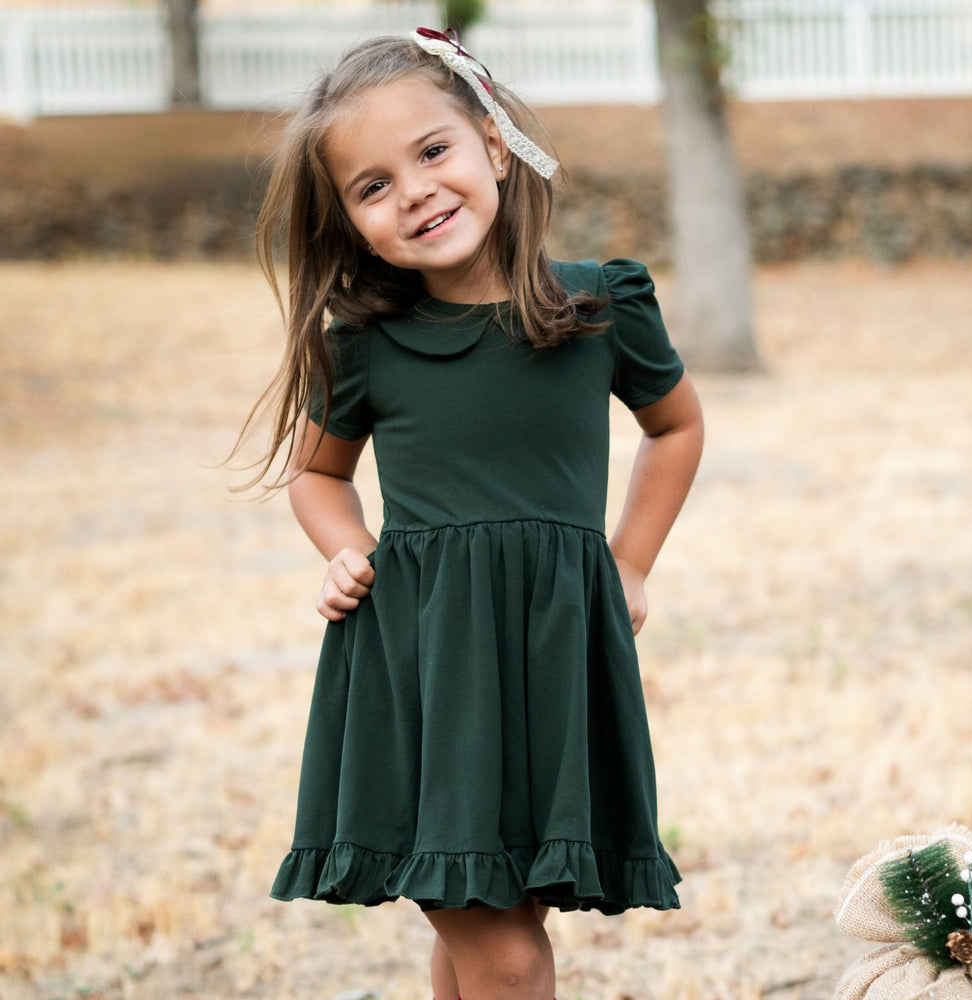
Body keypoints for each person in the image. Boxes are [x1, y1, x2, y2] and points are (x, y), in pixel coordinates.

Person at [237, 27, 704, 1000]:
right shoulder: (368, 345)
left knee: (494, 925)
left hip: (549, 660)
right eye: (371, 186)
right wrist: (344, 548)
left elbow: (677, 426)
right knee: (507, 956)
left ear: (494, 144)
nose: (410, 189)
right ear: (353, 225)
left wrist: (631, 561)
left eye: (431, 150)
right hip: (422, 665)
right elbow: (316, 476)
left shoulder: (598, 306)